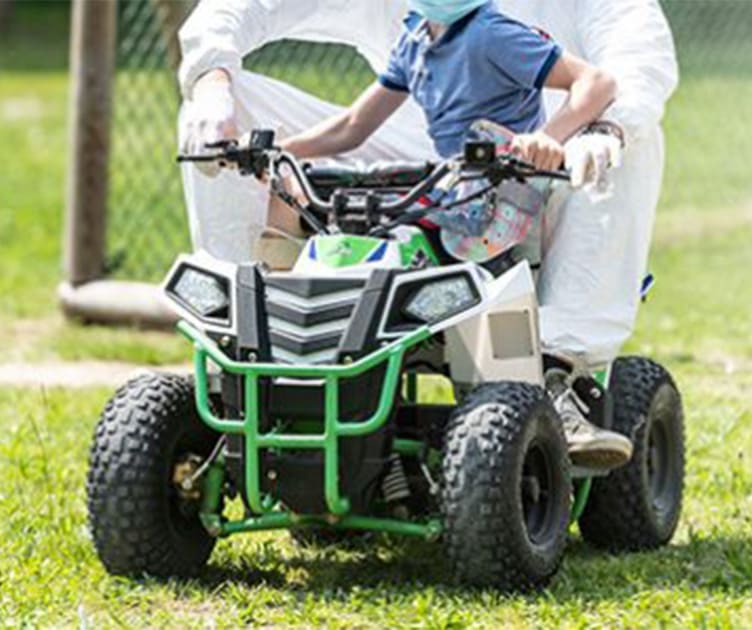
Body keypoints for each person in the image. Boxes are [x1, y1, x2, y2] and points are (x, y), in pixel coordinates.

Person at [177, 0, 679, 470]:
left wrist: (606, 128)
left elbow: (635, 52)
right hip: (409, 159)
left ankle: (561, 376)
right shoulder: (418, 35)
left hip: (536, 161)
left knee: (625, 140)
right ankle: (252, 358)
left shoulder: (492, 32)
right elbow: (244, 13)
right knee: (230, 116)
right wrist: (214, 85)